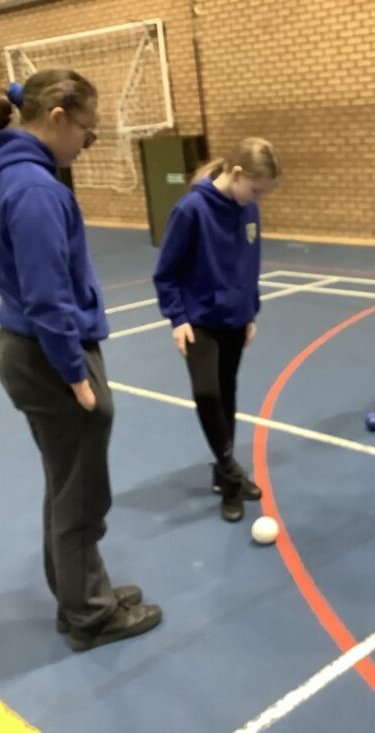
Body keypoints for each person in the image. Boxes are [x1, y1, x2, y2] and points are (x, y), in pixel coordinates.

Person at [0, 72, 161, 652]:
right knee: (81, 492)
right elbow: (47, 295)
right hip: (49, 354)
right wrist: (75, 373)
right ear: (57, 117)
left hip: (31, 348)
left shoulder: (14, 174)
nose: (85, 144)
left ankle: (78, 595)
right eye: (87, 132)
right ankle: (91, 617)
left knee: (65, 483)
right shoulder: (35, 189)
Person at [153, 138, 281, 523]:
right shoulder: (192, 209)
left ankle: (221, 469)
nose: (256, 199)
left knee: (226, 395)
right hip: (199, 321)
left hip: (234, 319)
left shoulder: (249, 210)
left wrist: (250, 311)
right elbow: (167, 271)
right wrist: (177, 318)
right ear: (236, 173)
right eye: (255, 190)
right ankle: (229, 475)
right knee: (206, 392)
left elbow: (249, 264)